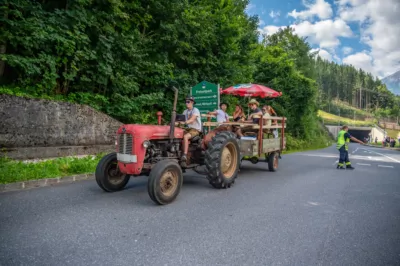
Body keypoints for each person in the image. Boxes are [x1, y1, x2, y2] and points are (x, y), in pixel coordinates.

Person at [181, 96, 202, 165]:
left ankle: (184, 155)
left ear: (192, 102)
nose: (186, 103)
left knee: (185, 137)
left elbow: (192, 119)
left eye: (188, 102)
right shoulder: (185, 111)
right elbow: (181, 120)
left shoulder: (195, 110)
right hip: (188, 129)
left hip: (195, 129)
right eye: (186, 102)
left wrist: (185, 122)